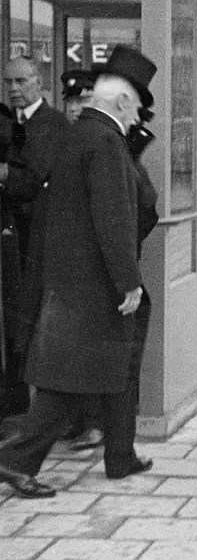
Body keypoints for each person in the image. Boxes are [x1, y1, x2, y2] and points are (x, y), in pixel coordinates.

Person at [0, 48, 156, 498]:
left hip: (71, 279)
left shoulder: (78, 134)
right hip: (93, 285)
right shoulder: (105, 142)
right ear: (123, 104)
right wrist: (127, 281)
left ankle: (120, 454)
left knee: (117, 364)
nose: (136, 120)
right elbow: (113, 217)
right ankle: (13, 462)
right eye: (135, 110)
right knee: (68, 385)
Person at [0, 56, 71, 421]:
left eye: (21, 81)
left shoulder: (54, 125)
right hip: (10, 241)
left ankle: (46, 410)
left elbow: (33, 181)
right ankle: (16, 402)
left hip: (36, 240)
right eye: (8, 82)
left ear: (38, 82)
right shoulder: (8, 124)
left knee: (36, 322)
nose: (14, 89)